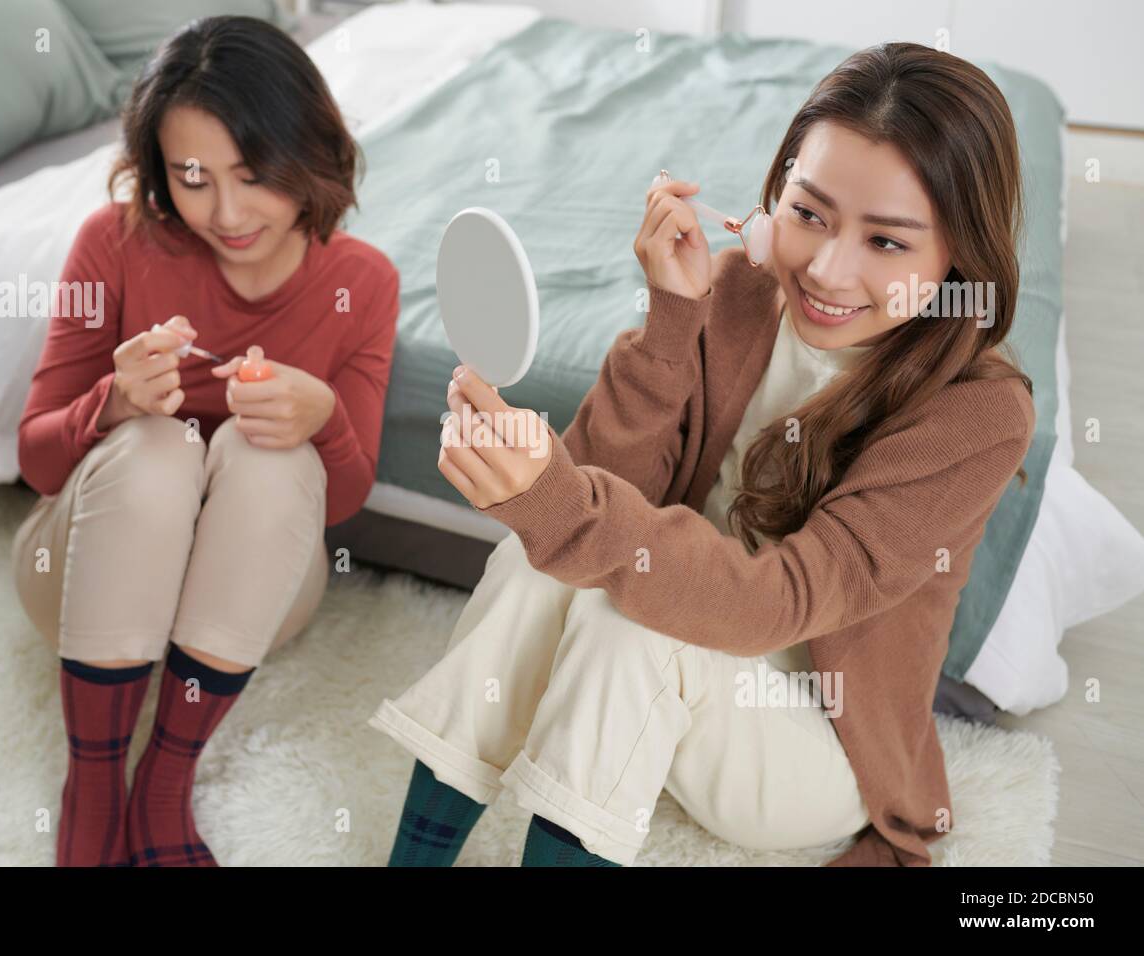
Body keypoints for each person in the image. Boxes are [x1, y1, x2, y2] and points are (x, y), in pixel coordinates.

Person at [369, 41, 1034, 867]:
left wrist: (561, 503)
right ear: (774, 196)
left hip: (809, 741)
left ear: (957, 258)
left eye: (887, 243)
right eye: (809, 213)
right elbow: (607, 485)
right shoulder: (739, 293)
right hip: (662, 689)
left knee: (630, 620)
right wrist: (671, 324)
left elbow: (779, 603)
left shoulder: (978, 412)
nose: (826, 268)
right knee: (538, 562)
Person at [12, 16, 399, 866]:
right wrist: (110, 403)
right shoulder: (110, 244)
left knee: (273, 452)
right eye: (191, 177)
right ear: (159, 172)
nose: (225, 212)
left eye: (254, 175)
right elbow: (36, 460)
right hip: (80, 582)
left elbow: (344, 497)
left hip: (251, 601)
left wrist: (324, 417)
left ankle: (164, 786)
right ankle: (92, 787)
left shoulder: (362, 283)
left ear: (309, 153)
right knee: (159, 447)